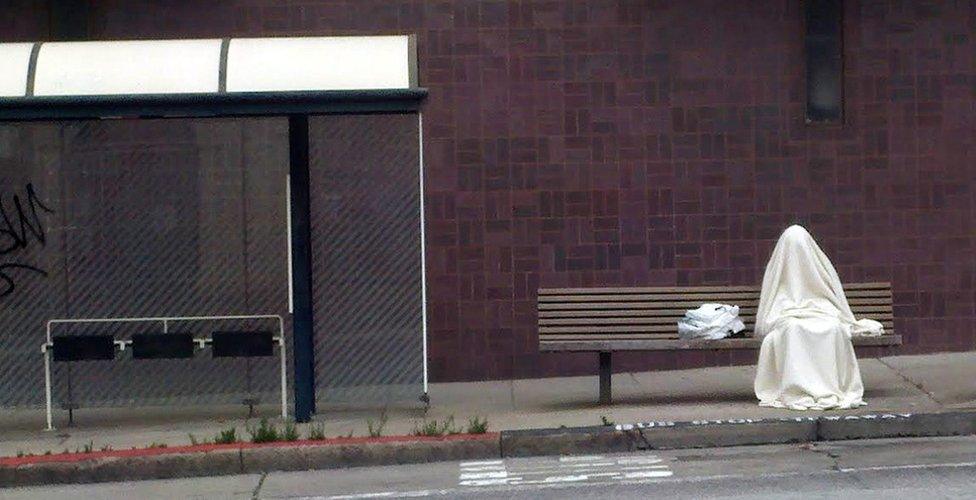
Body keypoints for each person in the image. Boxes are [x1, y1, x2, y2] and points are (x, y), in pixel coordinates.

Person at [753, 225, 883, 410]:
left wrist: (818, 308)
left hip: (820, 311)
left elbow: (828, 296)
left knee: (833, 328)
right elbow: (772, 304)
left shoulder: (818, 268)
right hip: (787, 315)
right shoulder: (777, 270)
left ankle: (827, 387)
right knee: (792, 329)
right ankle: (797, 388)